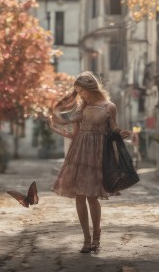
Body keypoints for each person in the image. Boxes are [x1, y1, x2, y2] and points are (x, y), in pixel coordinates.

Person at [47, 71, 130, 253]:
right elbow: (74, 134)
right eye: (77, 91)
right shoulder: (81, 108)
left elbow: (112, 128)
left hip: (97, 154)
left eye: (81, 91)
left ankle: (96, 237)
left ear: (90, 88)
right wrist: (56, 129)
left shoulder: (109, 107)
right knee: (79, 196)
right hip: (79, 153)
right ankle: (86, 239)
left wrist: (120, 132)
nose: (79, 95)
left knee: (92, 196)